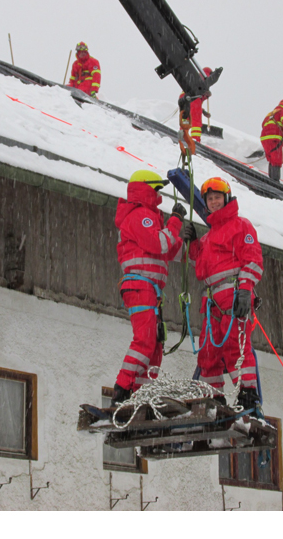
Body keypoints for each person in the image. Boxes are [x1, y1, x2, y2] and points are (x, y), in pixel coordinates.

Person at [181, 177, 264, 416]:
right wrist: (192, 241)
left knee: (236, 348)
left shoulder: (241, 225)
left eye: (217, 197)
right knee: (208, 352)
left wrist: (246, 290)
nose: (214, 202)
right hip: (211, 301)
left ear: (226, 199)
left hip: (233, 294)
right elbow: (201, 263)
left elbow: (253, 260)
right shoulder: (208, 237)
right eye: (210, 199)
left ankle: (248, 394)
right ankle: (213, 399)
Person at [111, 170, 185, 405]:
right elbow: (159, 242)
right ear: (148, 189)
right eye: (158, 189)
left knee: (154, 347)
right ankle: (122, 389)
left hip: (150, 291)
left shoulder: (148, 216)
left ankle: (141, 397)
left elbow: (169, 248)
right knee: (145, 340)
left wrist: (185, 238)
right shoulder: (141, 214)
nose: (160, 194)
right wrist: (174, 222)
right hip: (141, 286)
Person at [178, 67, 213, 145]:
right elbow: (196, 103)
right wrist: (206, 93)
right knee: (196, 121)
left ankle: (182, 137)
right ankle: (195, 140)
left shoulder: (195, 77)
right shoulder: (205, 77)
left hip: (184, 99)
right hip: (194, 98)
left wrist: (203, 111)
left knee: (185, 120)